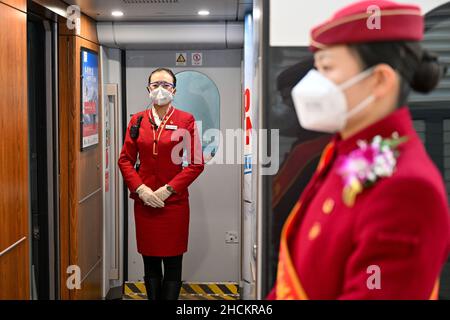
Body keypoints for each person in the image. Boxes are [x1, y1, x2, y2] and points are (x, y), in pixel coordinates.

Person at [267, 0, 450, 299]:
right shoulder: (342, 152)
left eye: (327, 68)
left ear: (379, 80)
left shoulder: (406, 188)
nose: (312, 85)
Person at [118, 67, 204, 300]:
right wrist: (140, 189)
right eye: (155, 85)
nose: (160, 90)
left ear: (174, 90)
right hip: (145, 203)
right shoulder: (137, 120)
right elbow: (125, 160)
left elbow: (196, 163)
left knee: (174, 263)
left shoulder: (186, 120)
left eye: (165, 85)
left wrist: (167, 190)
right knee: (151, 263)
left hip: (173, 204)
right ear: (148, 89)